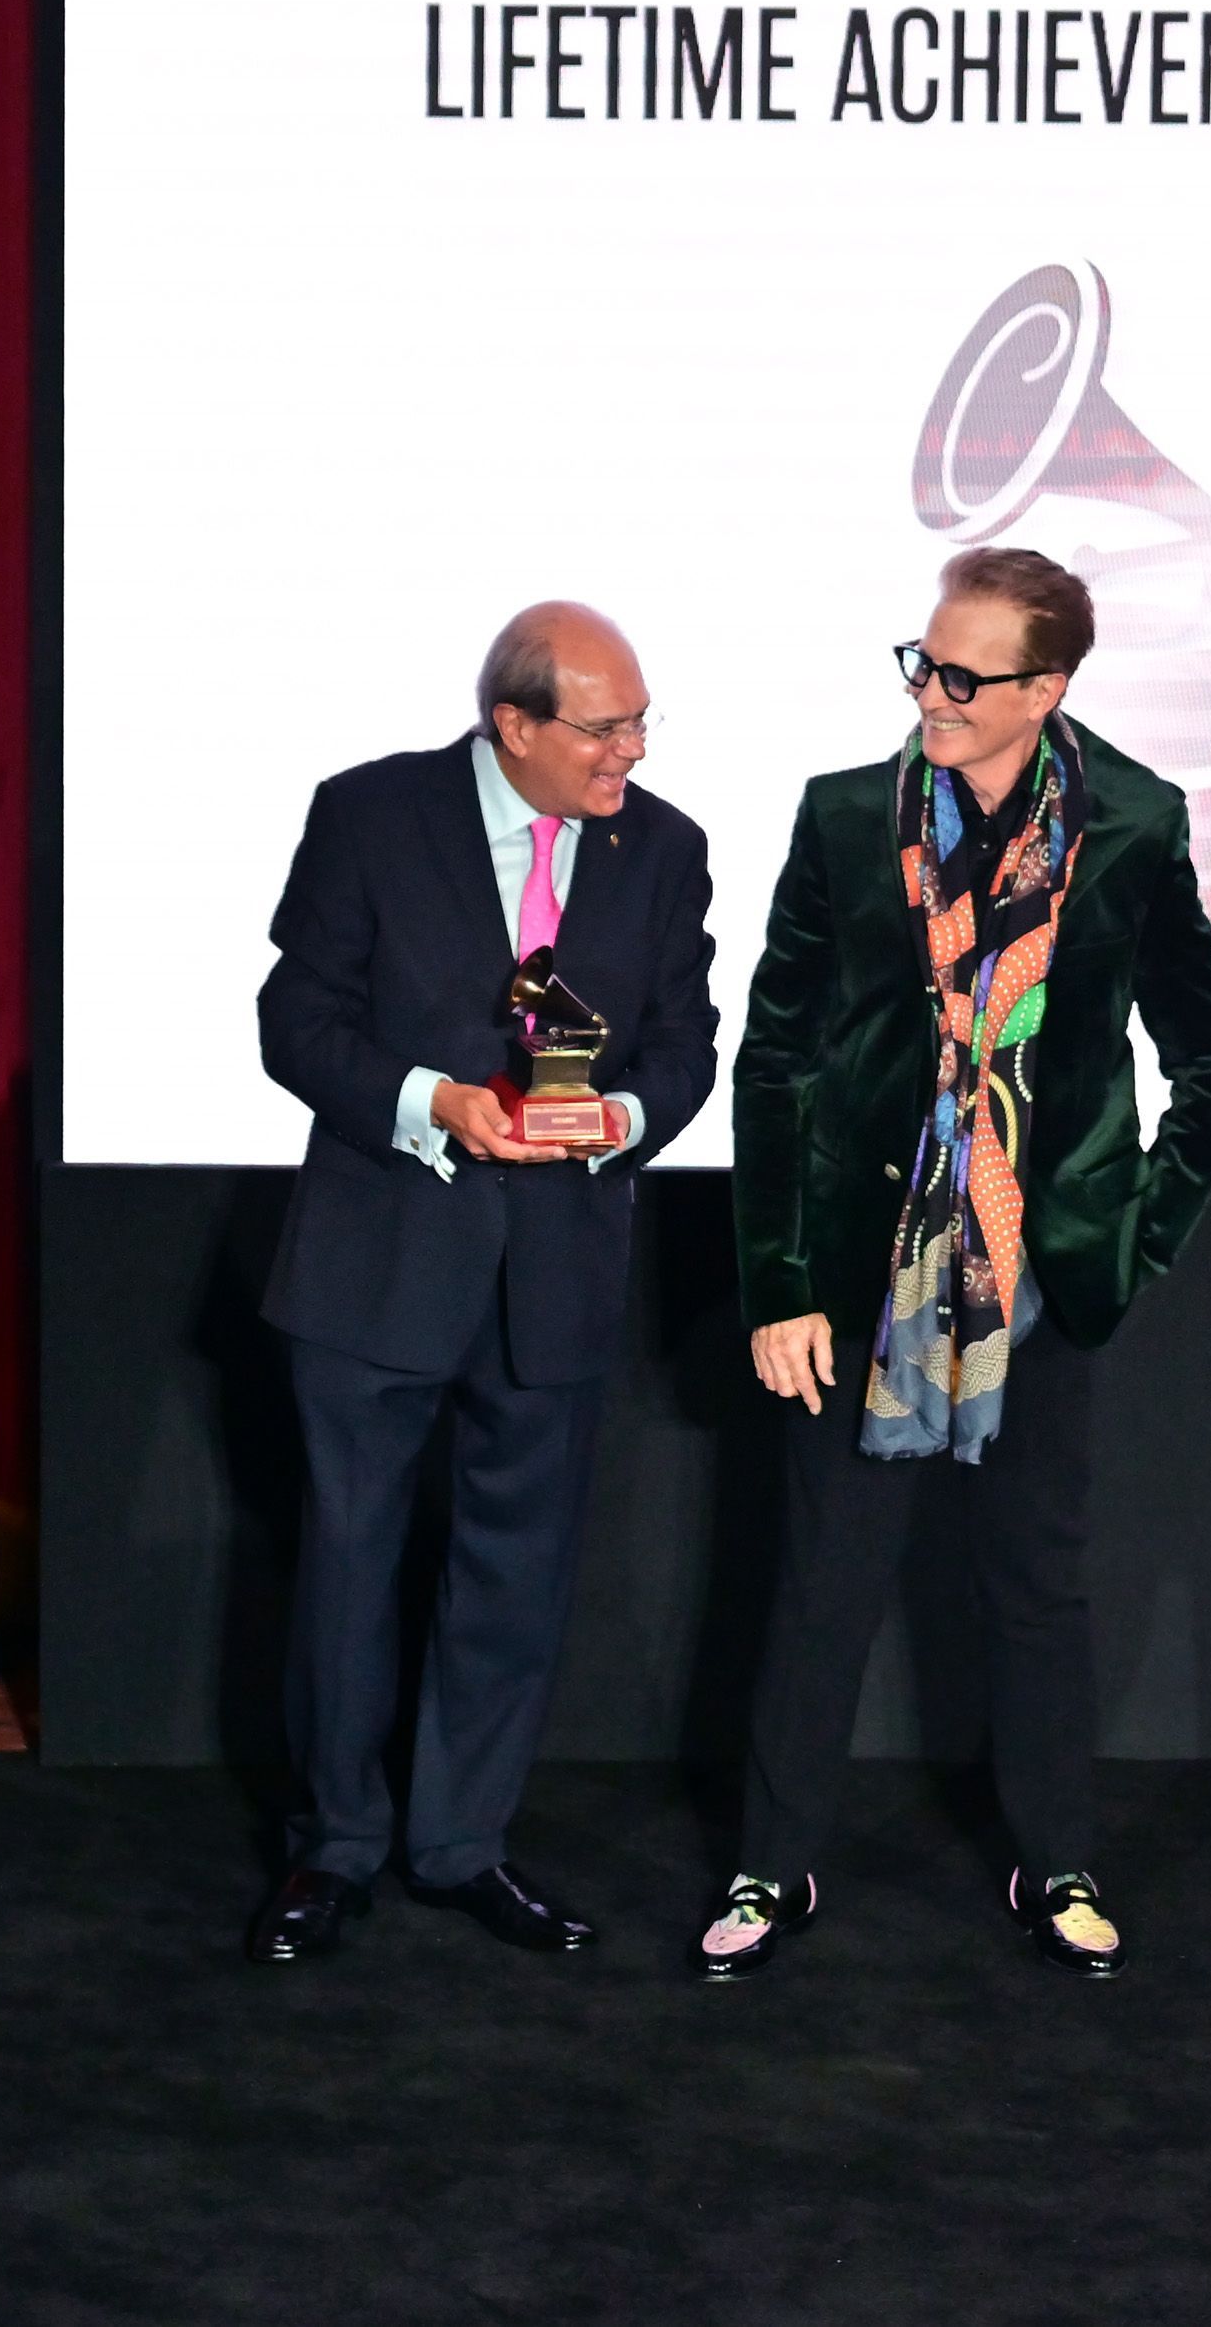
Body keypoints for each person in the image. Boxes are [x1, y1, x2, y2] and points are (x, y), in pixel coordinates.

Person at [703, 544, 1211, 1983]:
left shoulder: (1133, 822)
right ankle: (772, 1864)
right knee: (825, 1577)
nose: (929, 693)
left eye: (962, 675)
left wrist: (1130, 1237)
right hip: (859, 1266)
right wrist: (776, 1281)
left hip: (1034, 1272)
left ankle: (1057, 1855)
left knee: (1036, 1580)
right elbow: (773, 1057)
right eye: (922, 664)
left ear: (1048, 686)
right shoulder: (844, 819)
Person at [246, 601, 716, 1965]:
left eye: (640, 720)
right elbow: (296, 1022)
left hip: (556, 1269)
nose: (629, 748)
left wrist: (620, 1115)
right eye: (602, 725)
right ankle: (332, 1847)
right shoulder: (371, 815)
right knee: (348, 1570)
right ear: (514, 723)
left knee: (514, 1580)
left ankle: (461, 1844)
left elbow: (686, 1039)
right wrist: (429, 1099)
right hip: (378, 1258)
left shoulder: (664, 845)